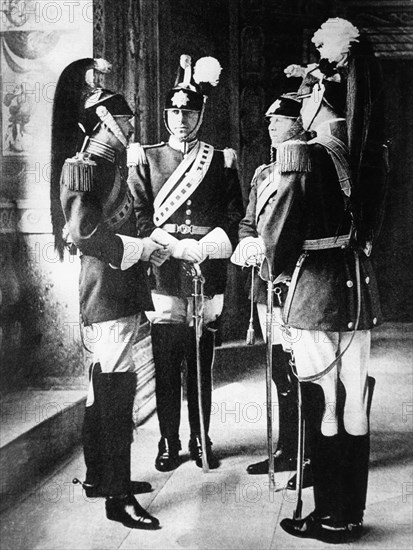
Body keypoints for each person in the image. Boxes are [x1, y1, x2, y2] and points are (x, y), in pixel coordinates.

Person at [259, 69, 383, 542]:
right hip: (358, 287)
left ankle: (329, 515)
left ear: (315, 99)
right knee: (355, 402)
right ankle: (350, 511)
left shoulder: (301, 155)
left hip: (316, 291)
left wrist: (268, 256)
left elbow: (281, 231)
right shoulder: (366, 152)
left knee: (323, 402)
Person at [54, 58, 163, 529]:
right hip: (106, 293)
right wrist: (139, 248)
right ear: (104, 121)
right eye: (125, 119)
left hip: (118, 289)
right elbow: (83, 232)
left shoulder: (107, 164)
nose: (132, 125)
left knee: (106, 390)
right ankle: (117, 498)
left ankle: (100, 476)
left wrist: (142, 251)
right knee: (115, 393)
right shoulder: (86, 167)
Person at [129, 54, 244, 471]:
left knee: (202, 361)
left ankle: (200, 438)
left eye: (188, 112)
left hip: (207, 269)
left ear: (200, 115)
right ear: (165, 115)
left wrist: (213, 242)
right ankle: (167, 440)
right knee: (166, 361)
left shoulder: (220, 159)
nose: (181, 119)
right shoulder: (146, 157)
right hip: (165, 270)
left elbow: (235, 213)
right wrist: (174, 248)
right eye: (174, 112)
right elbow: (140, 214)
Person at [231, 92, 313, 489]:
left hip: (297, 281)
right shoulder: (264, 173)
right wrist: (248, 243)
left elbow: (299, 228)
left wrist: (275, 262)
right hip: (265, 286)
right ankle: (286, 447)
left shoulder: (306, 168)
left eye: (279, 121)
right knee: (280, 367)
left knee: (307, 370)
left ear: (299, 124)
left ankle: (311, 450)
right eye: (269, 122)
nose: (271, 127)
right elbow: (249, 222)